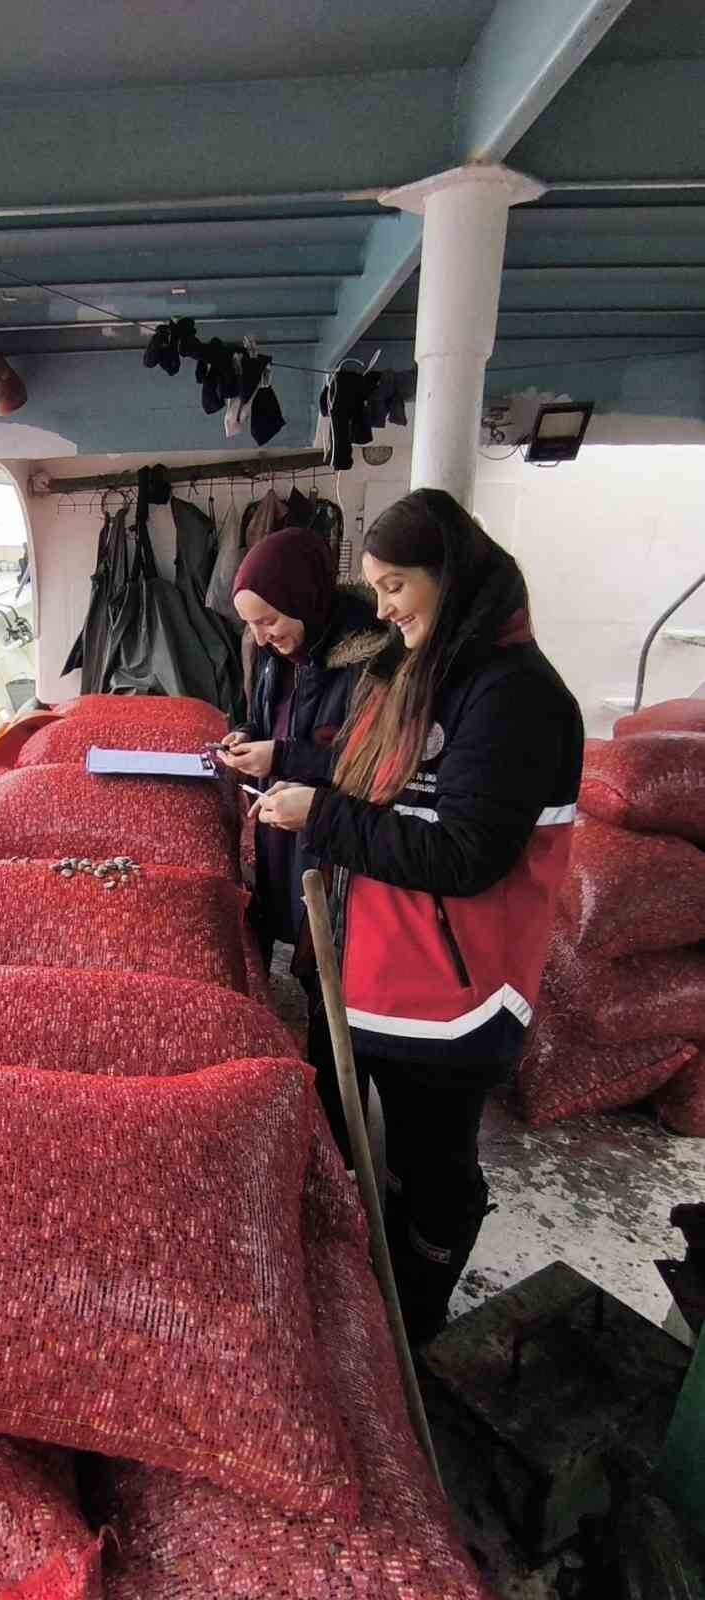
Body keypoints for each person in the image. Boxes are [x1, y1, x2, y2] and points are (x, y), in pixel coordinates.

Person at [257, 488, 583, 1344]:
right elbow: (370, 772)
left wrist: (319, 819)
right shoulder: (426, 672)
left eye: (397, 583)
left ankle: (423, 1309)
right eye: (376, 585)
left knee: (434, 1161)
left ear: (454, 575)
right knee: (364, 1128)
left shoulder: (516, 698)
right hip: (380, 970)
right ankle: (374, 1270)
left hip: (455, 993)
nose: (385, 605)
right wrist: (293, 768)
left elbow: (464, 856)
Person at [216, 524, 385, 955]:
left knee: (326, 949)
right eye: (250, 625)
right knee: (281, 918)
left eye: (268, 620)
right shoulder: (269, 654)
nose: (260, 636)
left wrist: (281, 756)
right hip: (282, 825)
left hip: (337, 838)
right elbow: (261, 718)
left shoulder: (370, 664)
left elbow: (367, 767)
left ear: (304, 599)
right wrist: (245, 736)